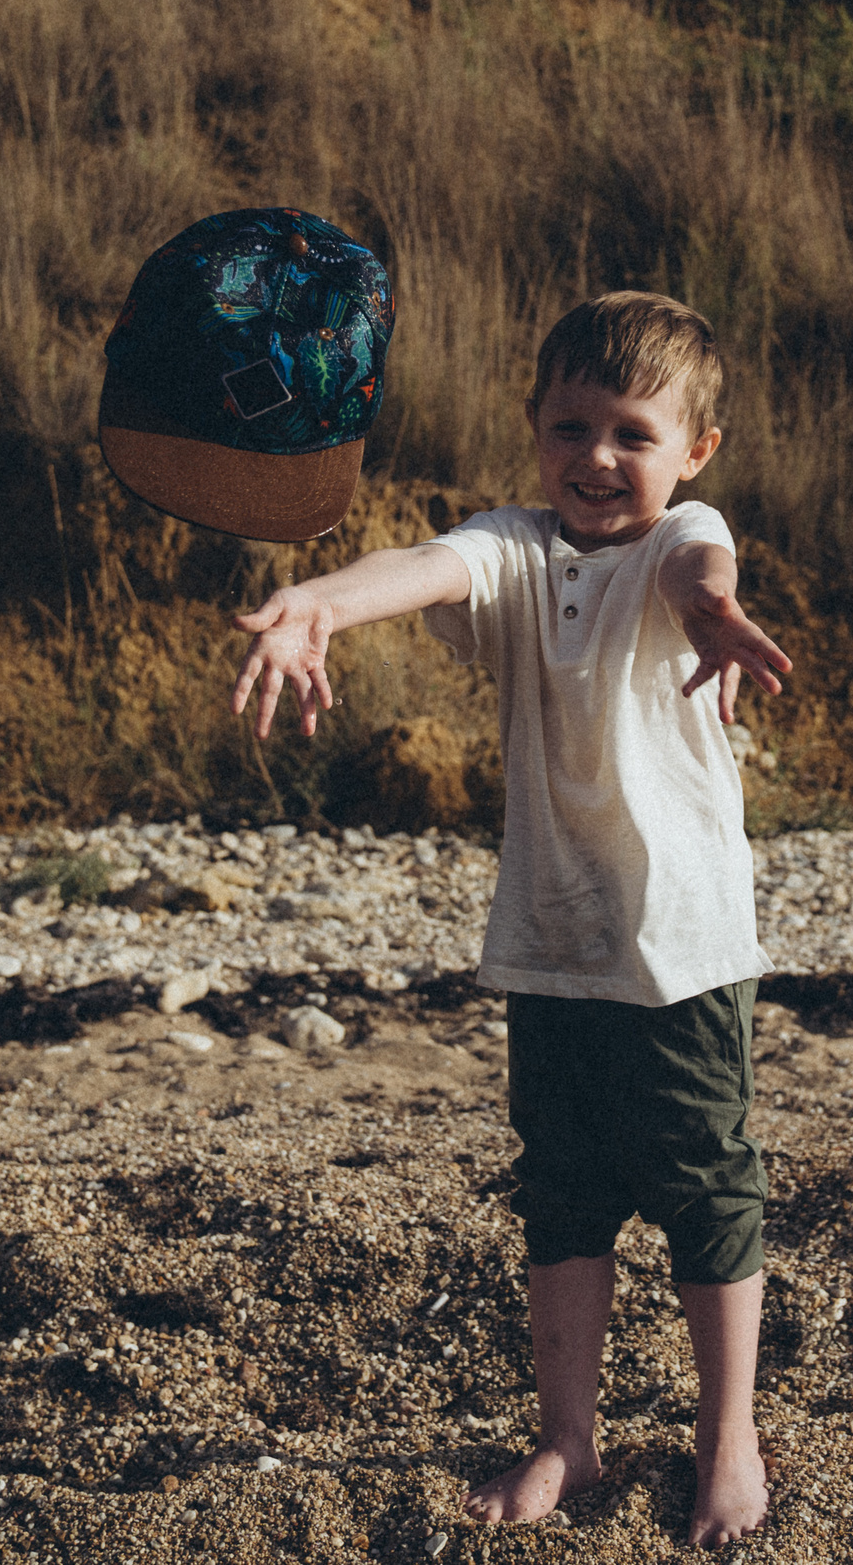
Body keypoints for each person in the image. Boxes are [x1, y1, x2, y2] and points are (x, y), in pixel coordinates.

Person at [228, 291, 792, 1547]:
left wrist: (712, 616)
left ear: (692, 451)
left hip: (680, 947)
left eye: (632, 435)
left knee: (708, 1190)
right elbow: (428, 565)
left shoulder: (679, 540)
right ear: (534, 429)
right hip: (550, 941)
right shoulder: (519, 548)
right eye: (569, 426)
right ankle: (567, 1442)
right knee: (564, 1193)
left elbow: (706, 568)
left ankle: (728, 1437)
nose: (597, 457)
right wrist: (319, 599)